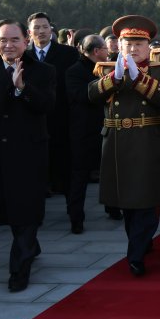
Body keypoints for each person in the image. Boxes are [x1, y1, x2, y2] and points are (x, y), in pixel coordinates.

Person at [0, 19, 56, 291]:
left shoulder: (43, 70)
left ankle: (19, 269)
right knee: (9, 208)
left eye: (14, 39)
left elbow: (46, 106)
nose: (9, 45)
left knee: (25, 208)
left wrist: (22, 88)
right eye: (3, 40)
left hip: (29, 151)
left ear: (26, 41)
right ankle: (30, 243)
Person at [88, 16, 160, 276]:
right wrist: (114, 79)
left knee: (145, 201)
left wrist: (139, 80)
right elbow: (91, 94)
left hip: (148, 140)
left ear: (149, 46)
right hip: (117, 143)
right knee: (126, 202)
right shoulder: (106, 70)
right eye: (127, 44)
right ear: (118, 46)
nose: (133, 49)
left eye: (139, 44)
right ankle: (139, 243)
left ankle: (135, 254)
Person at [27, 12, 79, 206]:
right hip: (33, 120)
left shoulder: (69, 54)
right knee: (36, 171)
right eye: (37, 28)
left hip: (61, 119)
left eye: (45, 27)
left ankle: (74, 214)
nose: (41, 31)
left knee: (65, 168)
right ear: (29, 32)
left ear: (51, 29)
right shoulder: (24, 56)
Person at [65, 34, 110, 233]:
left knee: (111, 172)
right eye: (105, 49)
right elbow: (82, 95)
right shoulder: (74, 71)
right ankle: (76, 218)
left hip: (107, 127)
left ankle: (114, 208)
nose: (108, 53)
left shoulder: (108, 68)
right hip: (83, 131)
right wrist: (106, 84)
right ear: (96, 51)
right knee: (79, 176)